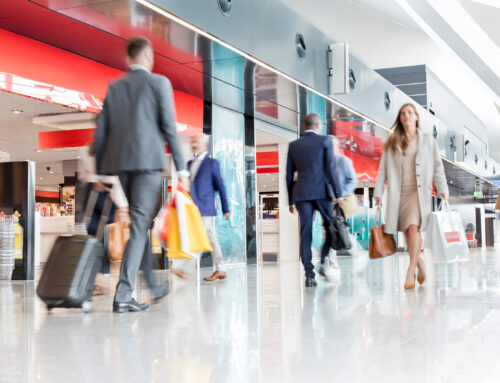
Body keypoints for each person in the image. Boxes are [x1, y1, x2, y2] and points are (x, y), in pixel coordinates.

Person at [94, 36, 189, 313]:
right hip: (148, 164)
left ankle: (152, 285)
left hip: (123, 165)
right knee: (139, 226)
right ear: (149, 57)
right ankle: (123, 294)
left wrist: (102, 171)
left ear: (128, 59)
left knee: (140, 225)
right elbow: (169, 127)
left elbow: (102, 131)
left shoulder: (115, 87)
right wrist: (182, 168)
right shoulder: (159, 83)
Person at [374, 103, 448, 289]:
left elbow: (437, 167)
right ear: (399, 118)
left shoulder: (428, 141)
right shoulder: (392, 142)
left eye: (410, 112)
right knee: (406, 232)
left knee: (414, 228)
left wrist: (442, 188)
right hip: (398, 194)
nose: (406, 115)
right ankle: (420, 264)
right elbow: (383, 168)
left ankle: (410, 271)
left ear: (416, 117)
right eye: (403, 113)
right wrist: (378, 192)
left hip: (418, 192)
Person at [286, 113, 343, 287]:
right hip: (322, 192)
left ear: (305, 126)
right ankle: (323, 261)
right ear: (318, 124)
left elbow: (288, 174)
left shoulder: (294, 145)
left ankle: (309, 274)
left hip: (301, 194)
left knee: (305, 233)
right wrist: (338, 193)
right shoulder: (325, 141)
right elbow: (331, 168)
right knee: (330, 229)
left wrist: (290, 200)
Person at [177, 133, 230, 281]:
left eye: (196, 141)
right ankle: (221, 269)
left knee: (199, 237)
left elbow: (221, 187)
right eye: (192, 141)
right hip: (192, 208)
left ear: (204, 143)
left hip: (205, 207)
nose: (193, 144)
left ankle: (186, 269)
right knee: (211, 238)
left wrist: (226, 208)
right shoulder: (189, 164)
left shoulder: (212, 163)